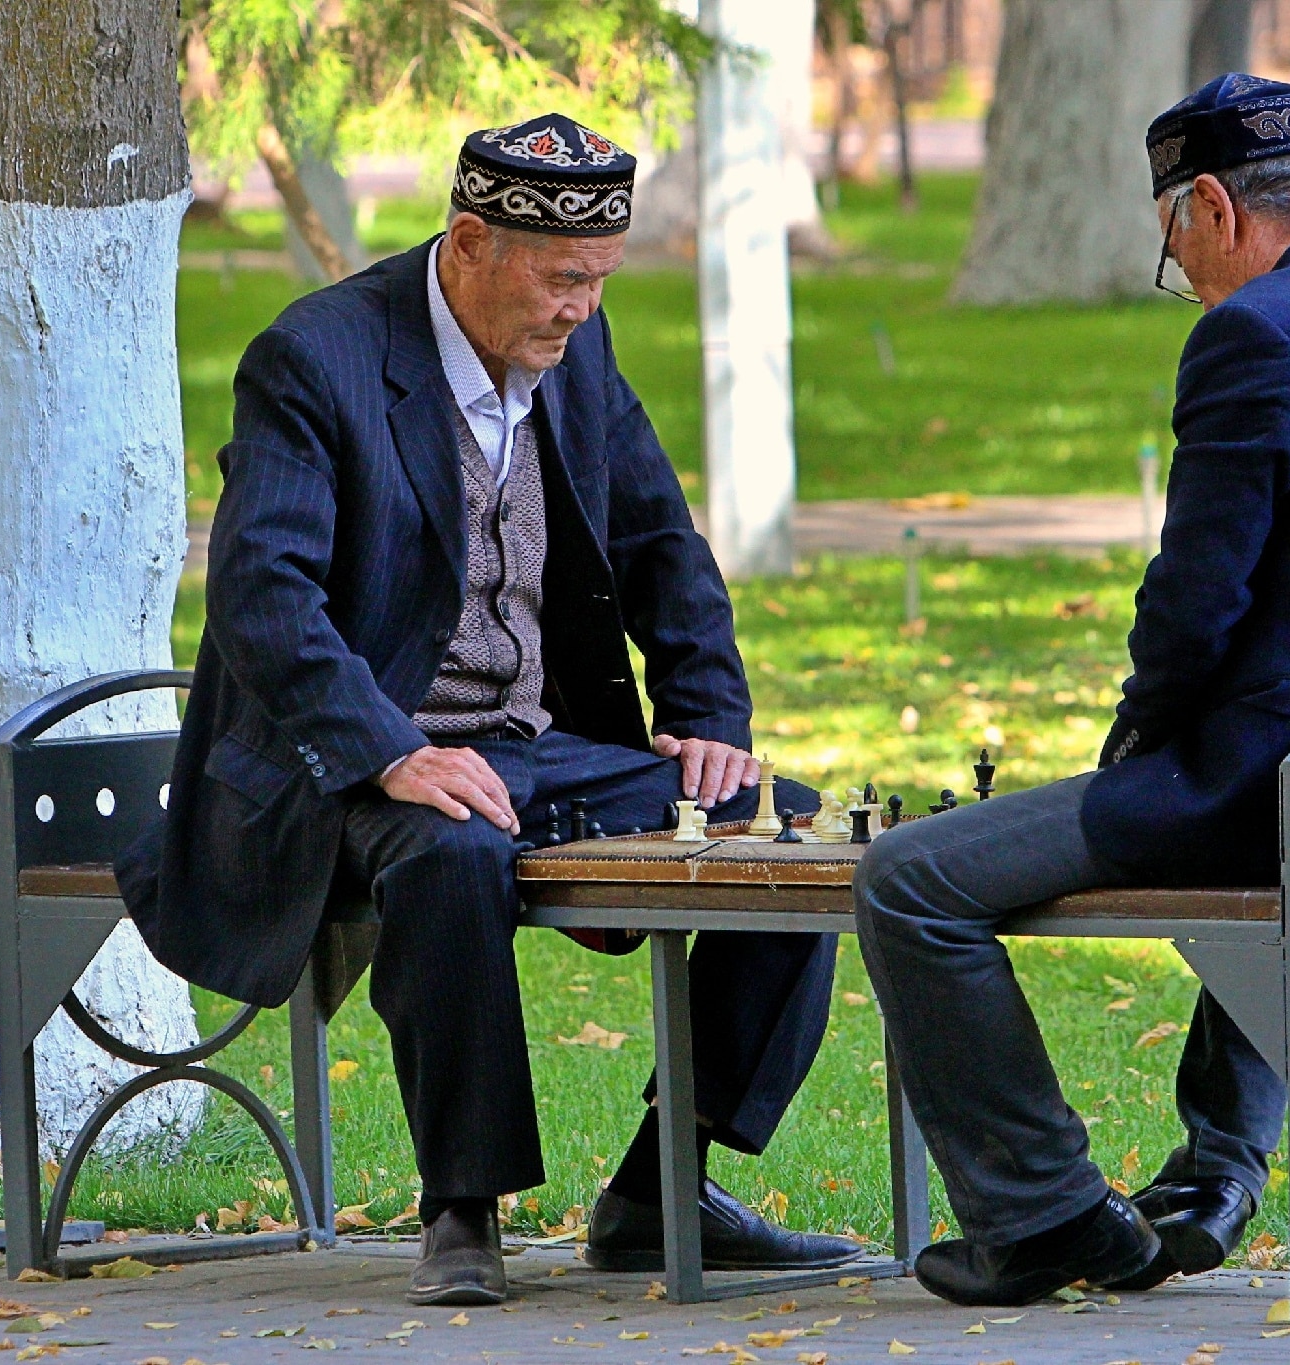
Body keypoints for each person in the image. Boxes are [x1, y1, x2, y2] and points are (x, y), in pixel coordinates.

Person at [118, 114, 860, 1306]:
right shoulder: (316, 358)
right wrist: (393, 751)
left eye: (598, 281)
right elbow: (261, 596)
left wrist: (709, 713)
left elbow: (660, 540)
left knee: (790, 832)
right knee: (451, 854)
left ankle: (661, 1189)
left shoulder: (571, 347)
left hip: (527, 746)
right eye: (563, 278)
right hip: (347, 761)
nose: (581, 307)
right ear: (468, 243)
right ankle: (460, 1210)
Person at [853, 74, 1290, 1307]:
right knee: (1278, 831)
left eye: (1171, 239)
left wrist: (1135, 744)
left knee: (906, 881)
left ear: (1215, 208)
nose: (1182, 269)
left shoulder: (1257, 334)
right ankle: (1217, 1175)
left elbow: (1192, 602)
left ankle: (1041, 1215)